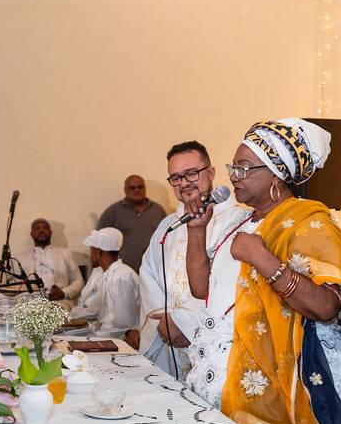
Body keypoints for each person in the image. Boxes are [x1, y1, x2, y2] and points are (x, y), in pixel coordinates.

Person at [185, 118, 341, 424]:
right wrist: (197, 231)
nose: (234, 176)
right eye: (233, 167)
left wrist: (263, 259)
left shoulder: (309, 224)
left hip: (281, 382)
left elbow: (326, 307)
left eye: (244, 168)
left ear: (276, 175)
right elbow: (200, 287)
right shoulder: (235, 222)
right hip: (221, 371)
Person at [126, 141, 245, 378]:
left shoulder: (237, 220)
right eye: (176, 177)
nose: (184, 182)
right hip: (166, 338)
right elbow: (148, 273)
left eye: (191, 173)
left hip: (213, 342)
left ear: (211, 173)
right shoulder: (167, 225)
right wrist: (164, 319)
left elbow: (233, 285)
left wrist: (185, 323)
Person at [69, 227, 140, 339]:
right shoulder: (109, 273)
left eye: (91, 250)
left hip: (122, 339)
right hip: (107, 334)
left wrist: (93, 338)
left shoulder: (120, 277)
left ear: (98, 252)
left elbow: (121, 325)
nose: (89, 255)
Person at [97, 174, 166, 273]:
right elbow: (99, 241)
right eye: (132, 188)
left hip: (155, 269)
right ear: (125, 190)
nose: (137, 190)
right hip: (123, 273)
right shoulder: (113, 212)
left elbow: (167, 236)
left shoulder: (157, 210)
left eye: (140, 187)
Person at [16, 218, 84, 310]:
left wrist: (64, 292)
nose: (41, 230)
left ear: (51, 232)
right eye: (37, 228)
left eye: (45, 228)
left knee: (54, 313)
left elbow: (78, 280)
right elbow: (16, 285)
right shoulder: (21, 258)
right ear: (31, 234)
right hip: (31, 302)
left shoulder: (66, 254)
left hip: (60, 301)